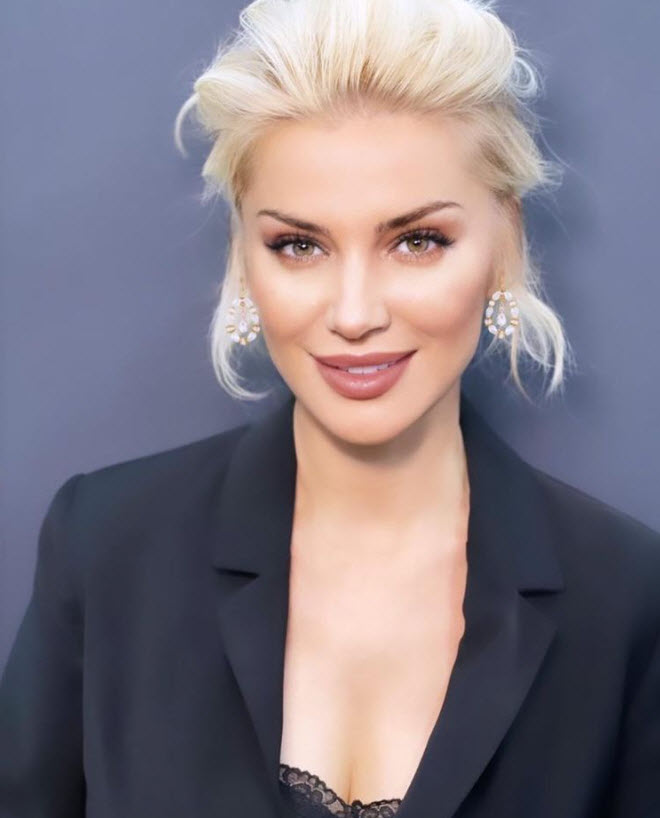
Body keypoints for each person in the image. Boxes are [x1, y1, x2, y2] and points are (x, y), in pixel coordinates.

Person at [1, 0, 659, 816]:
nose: (353, 314)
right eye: (299, 245)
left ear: (505, 245)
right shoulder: (105, 547)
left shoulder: (625, 595)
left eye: (416, 240)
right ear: (245, 254)